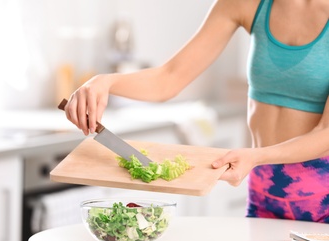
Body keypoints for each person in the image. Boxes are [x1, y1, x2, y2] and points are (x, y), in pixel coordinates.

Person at [63, 0, 329, 223]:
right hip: (262, 191)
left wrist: (257, 156)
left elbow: (325, 133)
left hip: (322, 198)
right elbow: (168, 78)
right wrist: (105, 82)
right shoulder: (249, 3)